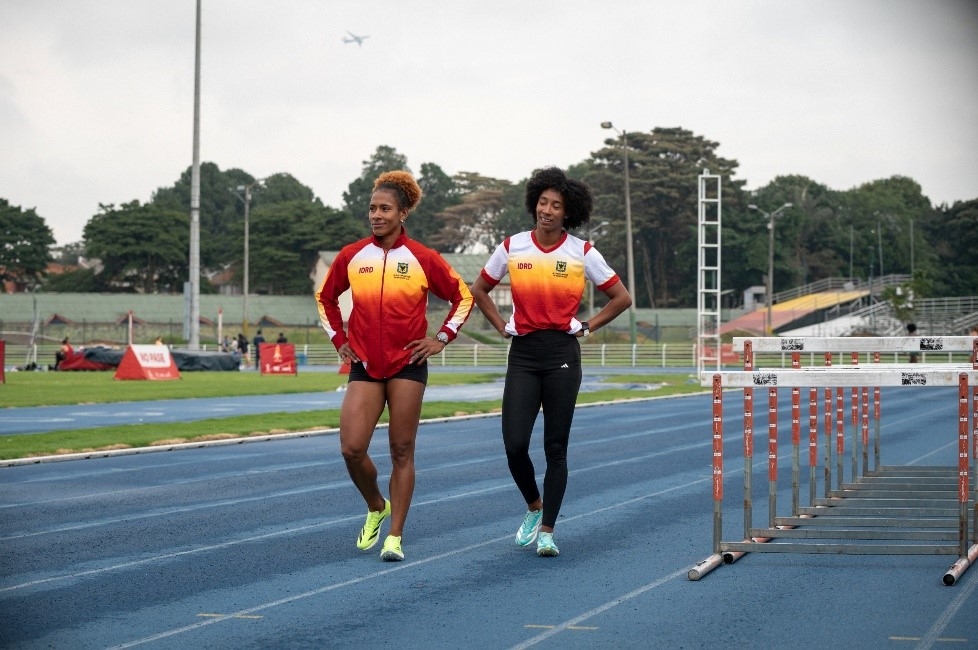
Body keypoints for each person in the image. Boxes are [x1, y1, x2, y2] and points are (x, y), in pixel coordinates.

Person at [470, 166, 632, 557]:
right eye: (542, 202)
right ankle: (533, 506)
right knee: (514, 444)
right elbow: (479, 289)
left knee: (555, 449)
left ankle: (547, 531)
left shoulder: (582, 252)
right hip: (523, 354)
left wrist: (588, 327)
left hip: (562, 354)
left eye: (556, 205)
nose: (547, 209)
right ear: (534, 205)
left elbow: (622, 298)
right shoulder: (512, 247)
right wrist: (500, 326)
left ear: (567, 212)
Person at [315, 170, 474, 562]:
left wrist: (441, 338)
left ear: (403, 213)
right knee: (352, 449)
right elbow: (326, 298)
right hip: (366, 366)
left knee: (402, 450)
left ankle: (395, 537)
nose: (376, 215)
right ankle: (375, 505)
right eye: (372, 208)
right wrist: (340, 339)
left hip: (408, 364)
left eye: (385, 208)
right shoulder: (353, 256)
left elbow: (463, 297)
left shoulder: (422, 258)